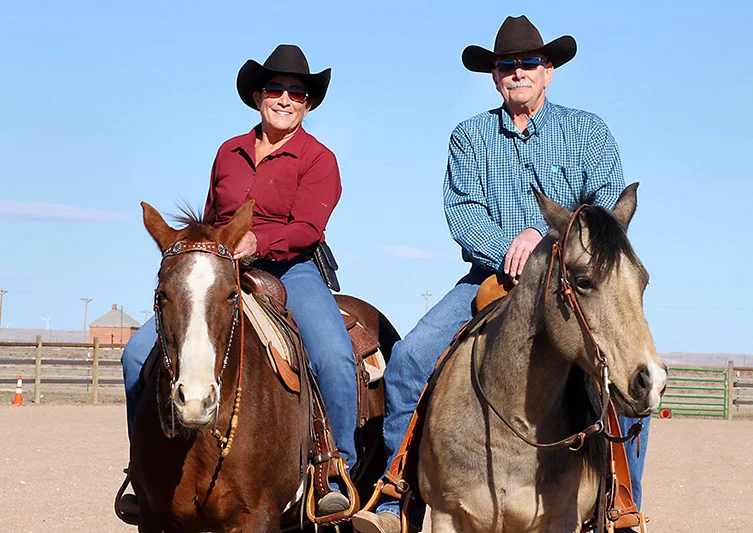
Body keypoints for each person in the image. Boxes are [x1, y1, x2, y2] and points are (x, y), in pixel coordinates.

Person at [352, 15, 649, 533]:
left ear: (548, 71)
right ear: (494, 76)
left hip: (570, 283)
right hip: (489, 278)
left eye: (528, 63)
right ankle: (395, 492)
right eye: (506, 65)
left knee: (624, 375)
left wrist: (546, 242)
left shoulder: (589, 132)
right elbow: (464, 212)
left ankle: (621, 501)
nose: (517, 72)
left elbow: (604, 216)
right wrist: (507, 251)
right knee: (409, 359)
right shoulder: (469, 138)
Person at [119, 44, 356, 518]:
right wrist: (207, 247)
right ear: (257, 95)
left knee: (335, 356)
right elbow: (210, 215)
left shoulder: (318, 159)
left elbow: (309, 226)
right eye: (275, 89)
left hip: (292, 267)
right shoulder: (228, 151)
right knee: (134, 356)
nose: (285, 98)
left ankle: (335, 467)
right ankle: (140, 471)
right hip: (219, 265)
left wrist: (256, 242)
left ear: (308, 104)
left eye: (297, 92)